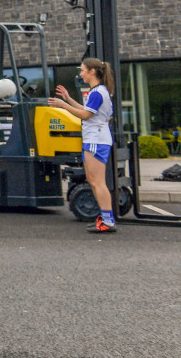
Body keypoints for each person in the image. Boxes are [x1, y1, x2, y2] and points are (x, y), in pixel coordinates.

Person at [48, 58, 117, 234]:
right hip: (96, 139)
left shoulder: (97, 92)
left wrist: (63, 105)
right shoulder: (99, 91)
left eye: (83, 70)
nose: (81, 74)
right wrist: (68, 99)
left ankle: (108, 221)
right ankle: (105, 218)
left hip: (96, 140)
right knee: (94, 181)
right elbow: (88, 111)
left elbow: (85, 115)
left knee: (97, 182)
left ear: (92, 71)